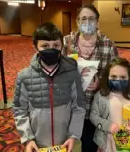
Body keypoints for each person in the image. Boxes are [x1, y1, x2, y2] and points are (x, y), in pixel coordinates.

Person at [12, 22, 86, 152]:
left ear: (61, 46)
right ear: (35, 47)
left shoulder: (72, 73)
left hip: (66, 141)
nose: (51, 49)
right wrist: (28, 138)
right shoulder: (24, 77)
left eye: (56, 45)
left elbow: (79, 106)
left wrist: (73, 135)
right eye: (45, 46)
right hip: (38, 143)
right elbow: (19, 110)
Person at [62, 4, 119, 152]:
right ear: (77, 21)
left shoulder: (108, 44)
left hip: (94, 110)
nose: (87, 22)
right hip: (70, 107)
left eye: (91, 19)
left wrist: (101, 82)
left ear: (98, 22)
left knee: (89, 147)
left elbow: (117, 76)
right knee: (64, 146)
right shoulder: (66, 42)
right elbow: (55, 70)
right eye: (83, 19)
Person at [90, 58, 130, 152]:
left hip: (127, 145)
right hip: (106, 143)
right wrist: (107, 125)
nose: (118, 80)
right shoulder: (100, 96)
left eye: (123, 77)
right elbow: (93, 116)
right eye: (114, 76)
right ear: (107, 77)